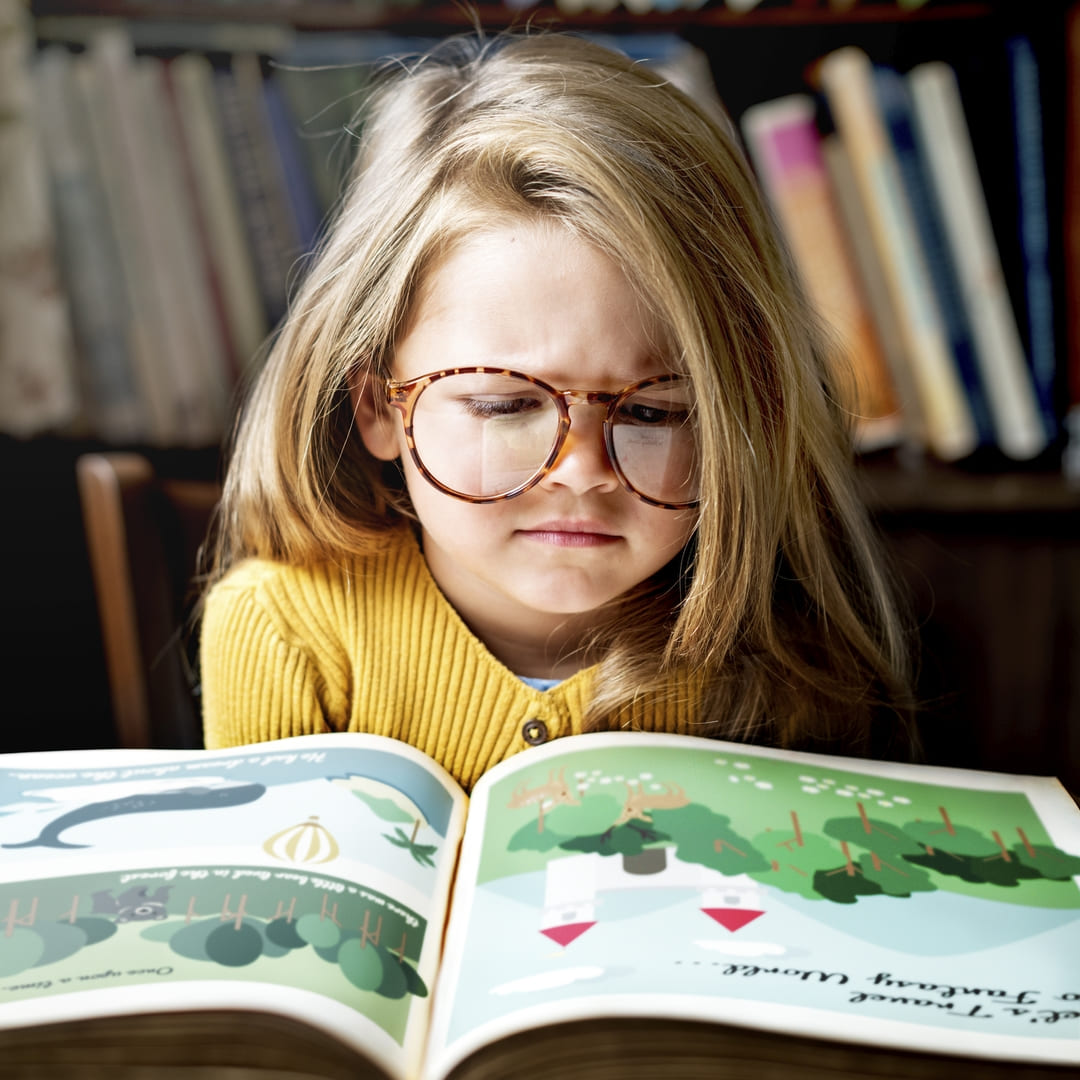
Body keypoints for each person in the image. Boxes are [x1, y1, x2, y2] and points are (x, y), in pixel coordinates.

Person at [199, 30, 916, 791]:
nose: (582, 473)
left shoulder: (786, 667)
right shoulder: (282, 634)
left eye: (654, 414)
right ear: (377, 406)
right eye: (505, 404)